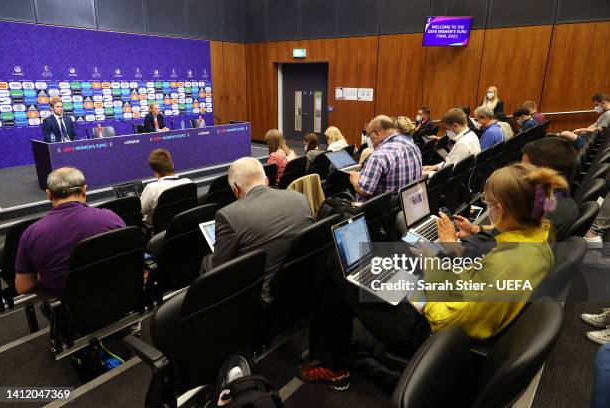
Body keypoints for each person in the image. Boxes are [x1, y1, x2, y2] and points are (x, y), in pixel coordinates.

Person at [299, 163, 564, 390]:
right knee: (380, 267)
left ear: (502, 209)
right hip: (454, 309)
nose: (488, 208)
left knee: (341, 264)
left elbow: (442, 318)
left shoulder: (507, 265)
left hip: (430, 334)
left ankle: (331, 366)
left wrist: (432, 266)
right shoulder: (539, 235)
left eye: (488, 204)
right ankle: (329, 350)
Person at [201, 157, 313, 302]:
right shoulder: (300, 198)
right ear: (266, 181)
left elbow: (218, 269)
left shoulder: (228, 215)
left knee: (207, 262)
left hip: (263, 299)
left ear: (235, 188)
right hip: (304, 284)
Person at [14, 168, 125, 297]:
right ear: (84, 190)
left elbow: (23, 288)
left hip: (67, 311)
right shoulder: (111, 217)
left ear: (49, 194)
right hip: (117, 297)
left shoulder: (31, 233)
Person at [456, 137, 578, 242]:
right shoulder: (558, 201)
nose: (519, 172)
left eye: (524, 167)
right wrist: (475, 229)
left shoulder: (542, 212)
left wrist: (450, 242)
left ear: (543, 172)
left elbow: (490, 251)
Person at [349, 115, 422, 201]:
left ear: (376, 133)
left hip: (380, 211)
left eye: (368, 135)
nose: (369, 139)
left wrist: (354, 179)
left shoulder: (378, 156)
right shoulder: (413, 146)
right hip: (406, 206)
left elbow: (365, 191)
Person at [140, 149, 192, 232]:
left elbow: (139, 213)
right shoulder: (188, 182)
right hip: (184, 229)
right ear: (172, 165)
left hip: (158, 235)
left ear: (155, 171)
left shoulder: (152, 188)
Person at [422, 108, 480, 175]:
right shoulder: (472, 134)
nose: (449, 132)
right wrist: (434, 167)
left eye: (448, 129)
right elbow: (451, 162)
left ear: (455, 125)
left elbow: (451, 172)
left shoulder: (463, 143)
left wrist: (428, 173)